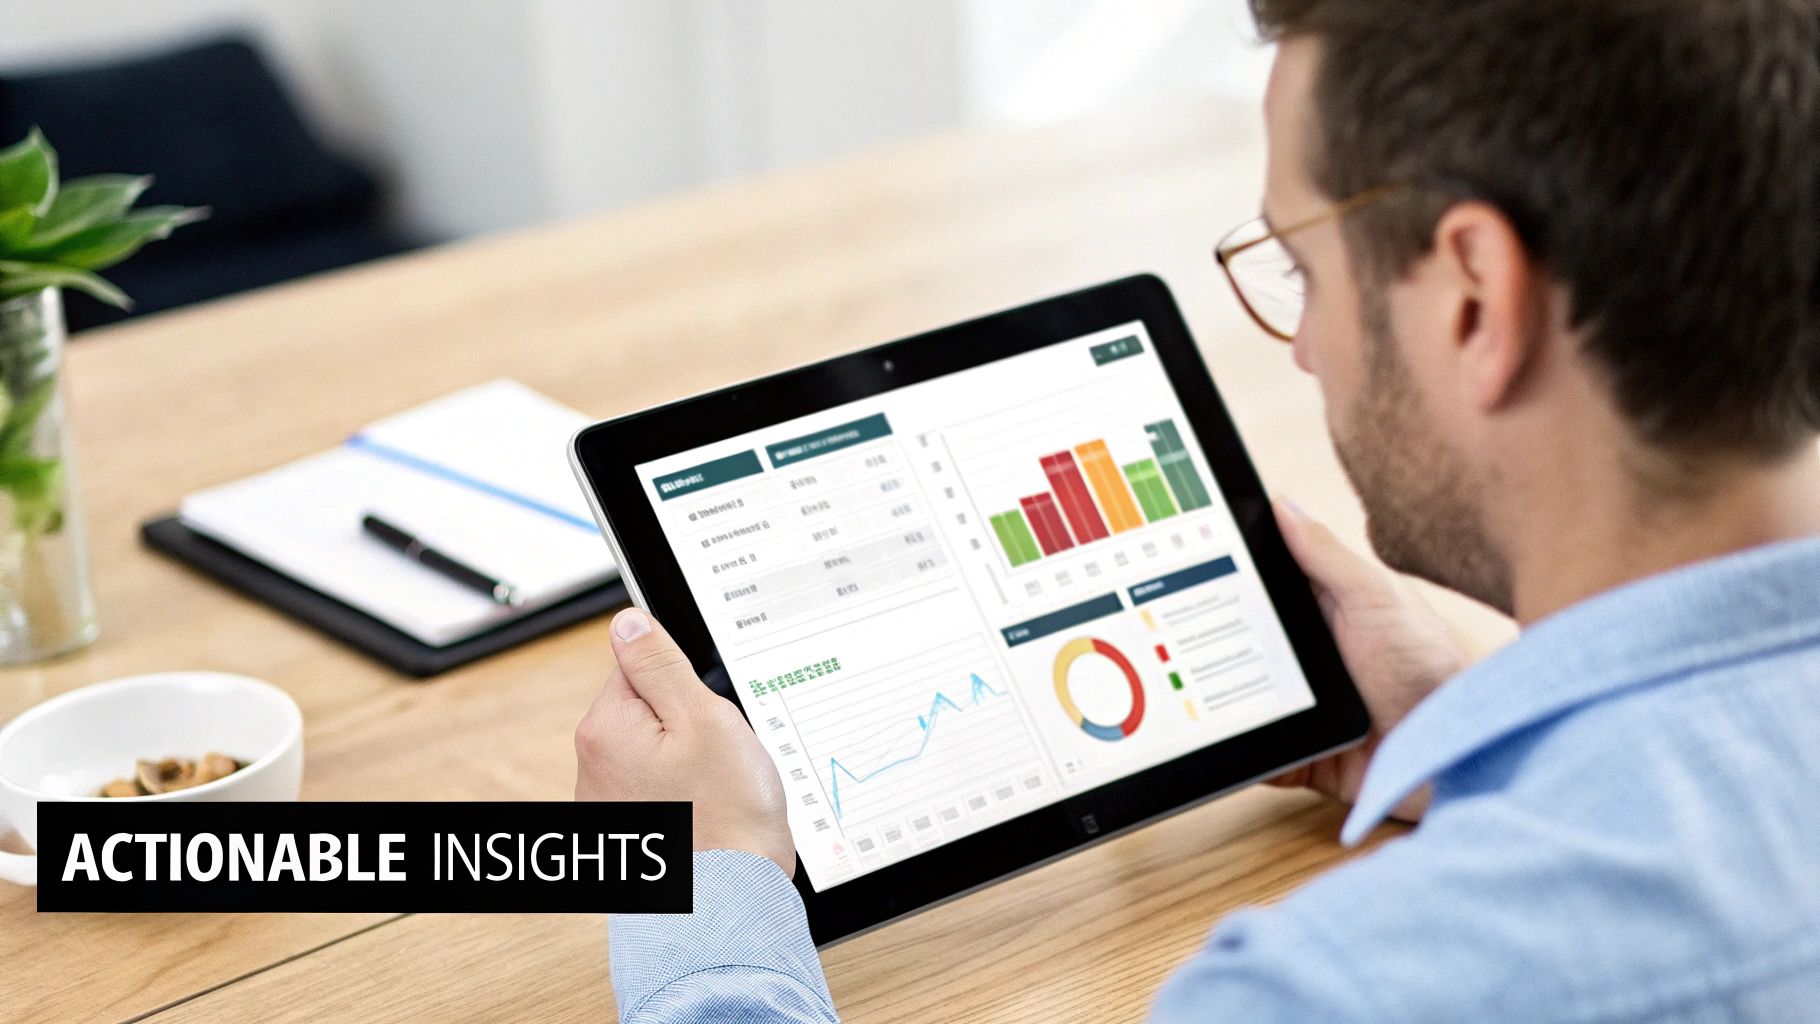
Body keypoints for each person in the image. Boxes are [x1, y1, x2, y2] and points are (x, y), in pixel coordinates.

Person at [574, 0, 1820, 1019]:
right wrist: (1475, 732)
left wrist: (703, 896)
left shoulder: (1344, 992)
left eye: (1302, 267)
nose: (1302, 354)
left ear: (1471, 301)